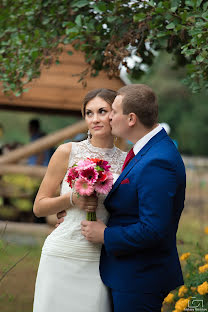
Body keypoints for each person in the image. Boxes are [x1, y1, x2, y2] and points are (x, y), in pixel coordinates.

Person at [78, 84, 186, 312]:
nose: (108, 118)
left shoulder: (158, 161)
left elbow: (153, 229)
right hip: (128, 274)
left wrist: (105, 234)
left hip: (140, 279)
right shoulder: (145, 151)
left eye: (113, 112)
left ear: (131, 119)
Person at [32, 88, 126, 312]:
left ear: (114, 114)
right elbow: (39, 206)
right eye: (89, 113)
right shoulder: (67, 152)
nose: (95, 119)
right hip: (61, 252)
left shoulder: (127, 161)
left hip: (100, 259)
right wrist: (72, 200)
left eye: (102, 111)